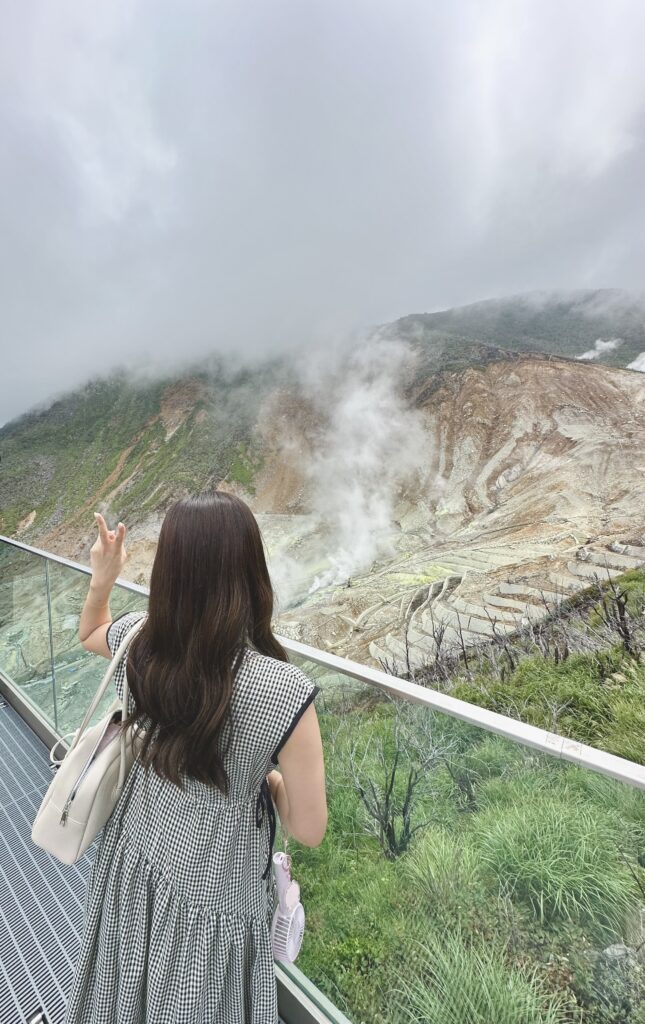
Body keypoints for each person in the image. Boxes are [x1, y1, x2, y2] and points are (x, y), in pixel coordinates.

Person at [64, 492, 327, 1024]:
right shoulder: (285, 691)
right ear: (251, 572)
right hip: (214, 900)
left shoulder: (140, 642)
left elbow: (90, 632)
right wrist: (269, 779)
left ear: (170, 572)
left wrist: (104, 574)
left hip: (134, 859)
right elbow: (309, 827)